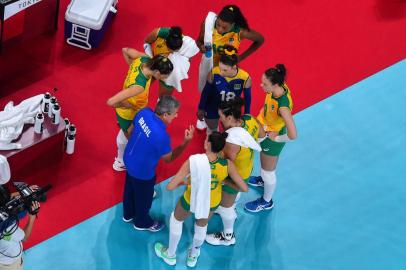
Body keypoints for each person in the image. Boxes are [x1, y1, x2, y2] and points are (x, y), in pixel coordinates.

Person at [154, 131, 247, 267]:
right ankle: (193, 256)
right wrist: (225, 182)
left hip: (191, 199)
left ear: (208, 144)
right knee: (201, 226)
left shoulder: (194, 161)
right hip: (211, 202)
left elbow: (170, 186)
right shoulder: (227, 165)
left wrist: (185, 182)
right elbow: (244, 188)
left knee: (176, 220)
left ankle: (170, 254)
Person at [122, 95, 194, 232]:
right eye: (175, 113)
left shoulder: (144, 112)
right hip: (143, 172)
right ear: (166, 115)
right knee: (144, 198)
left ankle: (128, 214)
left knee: (129, 187)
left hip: (128, 159)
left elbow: (130, 131)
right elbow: (169, 159)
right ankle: (142, 222)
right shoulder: (161, 136)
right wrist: (185, 143)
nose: (176, 116)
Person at [205, 97, 264, 246]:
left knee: (226, 207)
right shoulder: (250, 119)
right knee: (230, 200)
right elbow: (262, 136)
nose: (220, 120)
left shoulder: (231, 140)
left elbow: (226, 164)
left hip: (235, 176)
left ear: (230, 117)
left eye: (221, 117)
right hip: (247, 167)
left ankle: (227, 236)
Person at [107, 50, 174, 172]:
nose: (165, 79)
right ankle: (120, 161)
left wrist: (131, 71)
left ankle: (121, 157)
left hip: (134, 110)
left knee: (126, 133)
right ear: (158, 72)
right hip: (128, 115)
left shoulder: (144, 59)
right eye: (165, 76)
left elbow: (125, 50)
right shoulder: (138, 87)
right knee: (132, 139)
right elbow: (111, 102)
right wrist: (128, 105)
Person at [244, 64, 297, 212]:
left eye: (265, 84)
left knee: (268, 171)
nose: (261, 86)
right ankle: (262, 181)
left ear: (274, 85)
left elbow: (293, 134)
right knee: (264, 164)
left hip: (272, 138)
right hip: (266, 128)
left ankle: (266, 201)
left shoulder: (283, 106)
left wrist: (277, 139)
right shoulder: (278, 88)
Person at [197, 45, 252, 133]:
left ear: (234, 67)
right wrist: (201, 108)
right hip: (213, 106)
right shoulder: (214, 72)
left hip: (231, 109)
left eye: (225, 70)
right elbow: (206, 91)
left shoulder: (245, 78)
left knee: (230, 131)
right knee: (212, 129)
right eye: (220, 68)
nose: (221, 73)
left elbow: (247, 98)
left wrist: (246, 114)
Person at [196, 5, 264, 67]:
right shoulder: (207, 24)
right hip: (209, 67)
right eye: (218, 24)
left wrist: (241, 58)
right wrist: (201, 47)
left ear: (233, 25)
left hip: (228, 70)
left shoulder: (240, 32)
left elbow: (260, 40)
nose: (220, 29)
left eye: (224, 27)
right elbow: (198, 41)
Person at [0, 186, 39, 270]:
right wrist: (32, 217)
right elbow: (25, 238)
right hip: (9, 266)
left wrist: (23, 192)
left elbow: (6, 198)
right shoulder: (8, 228)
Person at [144, 26, 183, 96]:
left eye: (175, 50)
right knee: (141, 85)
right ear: (165, 41)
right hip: (154, 63)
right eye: (170, 49)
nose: (172, 52)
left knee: (163, 97)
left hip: (169, 71)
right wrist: (151, 59)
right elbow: (146, 43)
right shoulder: (159, 33)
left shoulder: (186, 44)